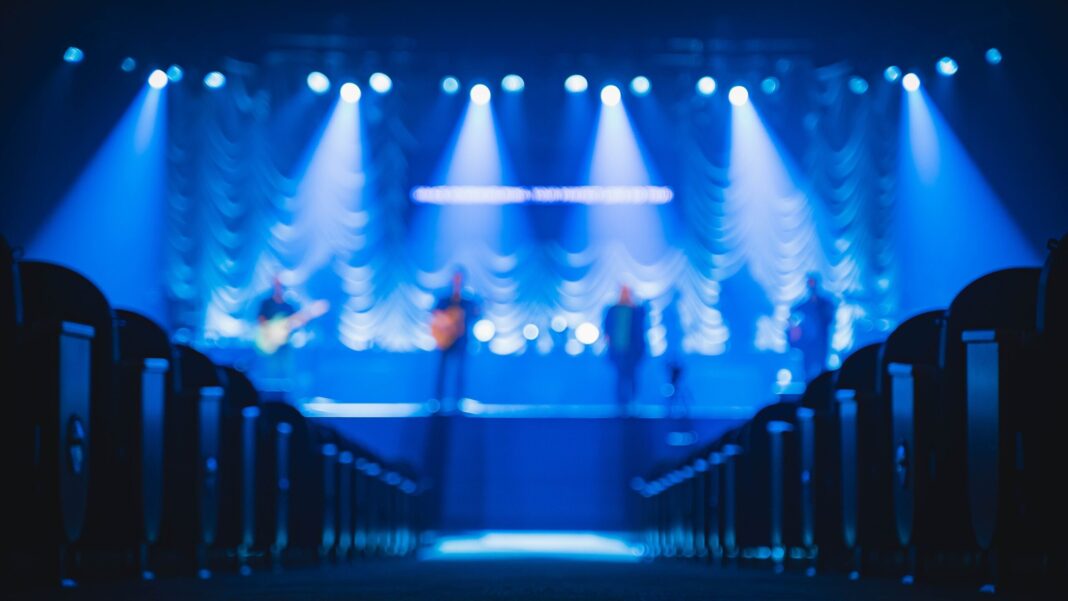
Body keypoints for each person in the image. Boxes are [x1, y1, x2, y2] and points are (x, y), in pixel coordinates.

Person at [431, 268, 480, 412]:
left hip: (461, 340)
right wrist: (446, 323)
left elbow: (476, 315)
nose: (457, 281)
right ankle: (438, 401)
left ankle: (459, 401)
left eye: (460, 279)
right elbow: (435, 315)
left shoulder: (468, 301)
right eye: (456, 278)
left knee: (460, 371)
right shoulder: (444, 299)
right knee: (442, 371)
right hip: (446, 341)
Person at [603, 285, 648, 416]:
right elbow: (607, 328)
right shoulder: (612, 310)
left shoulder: (637, 310)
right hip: (617, 350)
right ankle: (621, 405)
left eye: (627, 293)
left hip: (633, 351)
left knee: (632, 377)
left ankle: (633, 403)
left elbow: (642, 329)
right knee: (619, 377)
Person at [788, 274, 836, 382]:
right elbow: (793, 316)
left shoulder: (825, 304)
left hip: (822, 342)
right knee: (807, 369)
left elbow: (831, 318)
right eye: (809, 283)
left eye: (812, 283)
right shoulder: (804, 305)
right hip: (808, 343)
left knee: (822, 367)